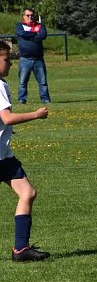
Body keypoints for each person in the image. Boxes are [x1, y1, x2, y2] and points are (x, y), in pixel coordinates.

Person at [0, 40, 50, 261]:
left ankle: (21, 249)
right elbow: (7, 118)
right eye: (6, 60)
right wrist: (36, 115)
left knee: (27, 192)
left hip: (4, 157)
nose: (10, 64)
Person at [15, 8, 52, 105]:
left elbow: (43, 35)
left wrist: (29, 36)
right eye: (28, 15)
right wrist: (35, 34)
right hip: (25, 59)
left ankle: (45, 99)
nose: (30, 17)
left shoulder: (40, 25)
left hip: (38, 59)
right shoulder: (19, 26)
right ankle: (22, 100)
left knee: (43, 82)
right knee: (22, 82)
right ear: (23, 16)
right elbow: (21, 33)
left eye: (32, 15)